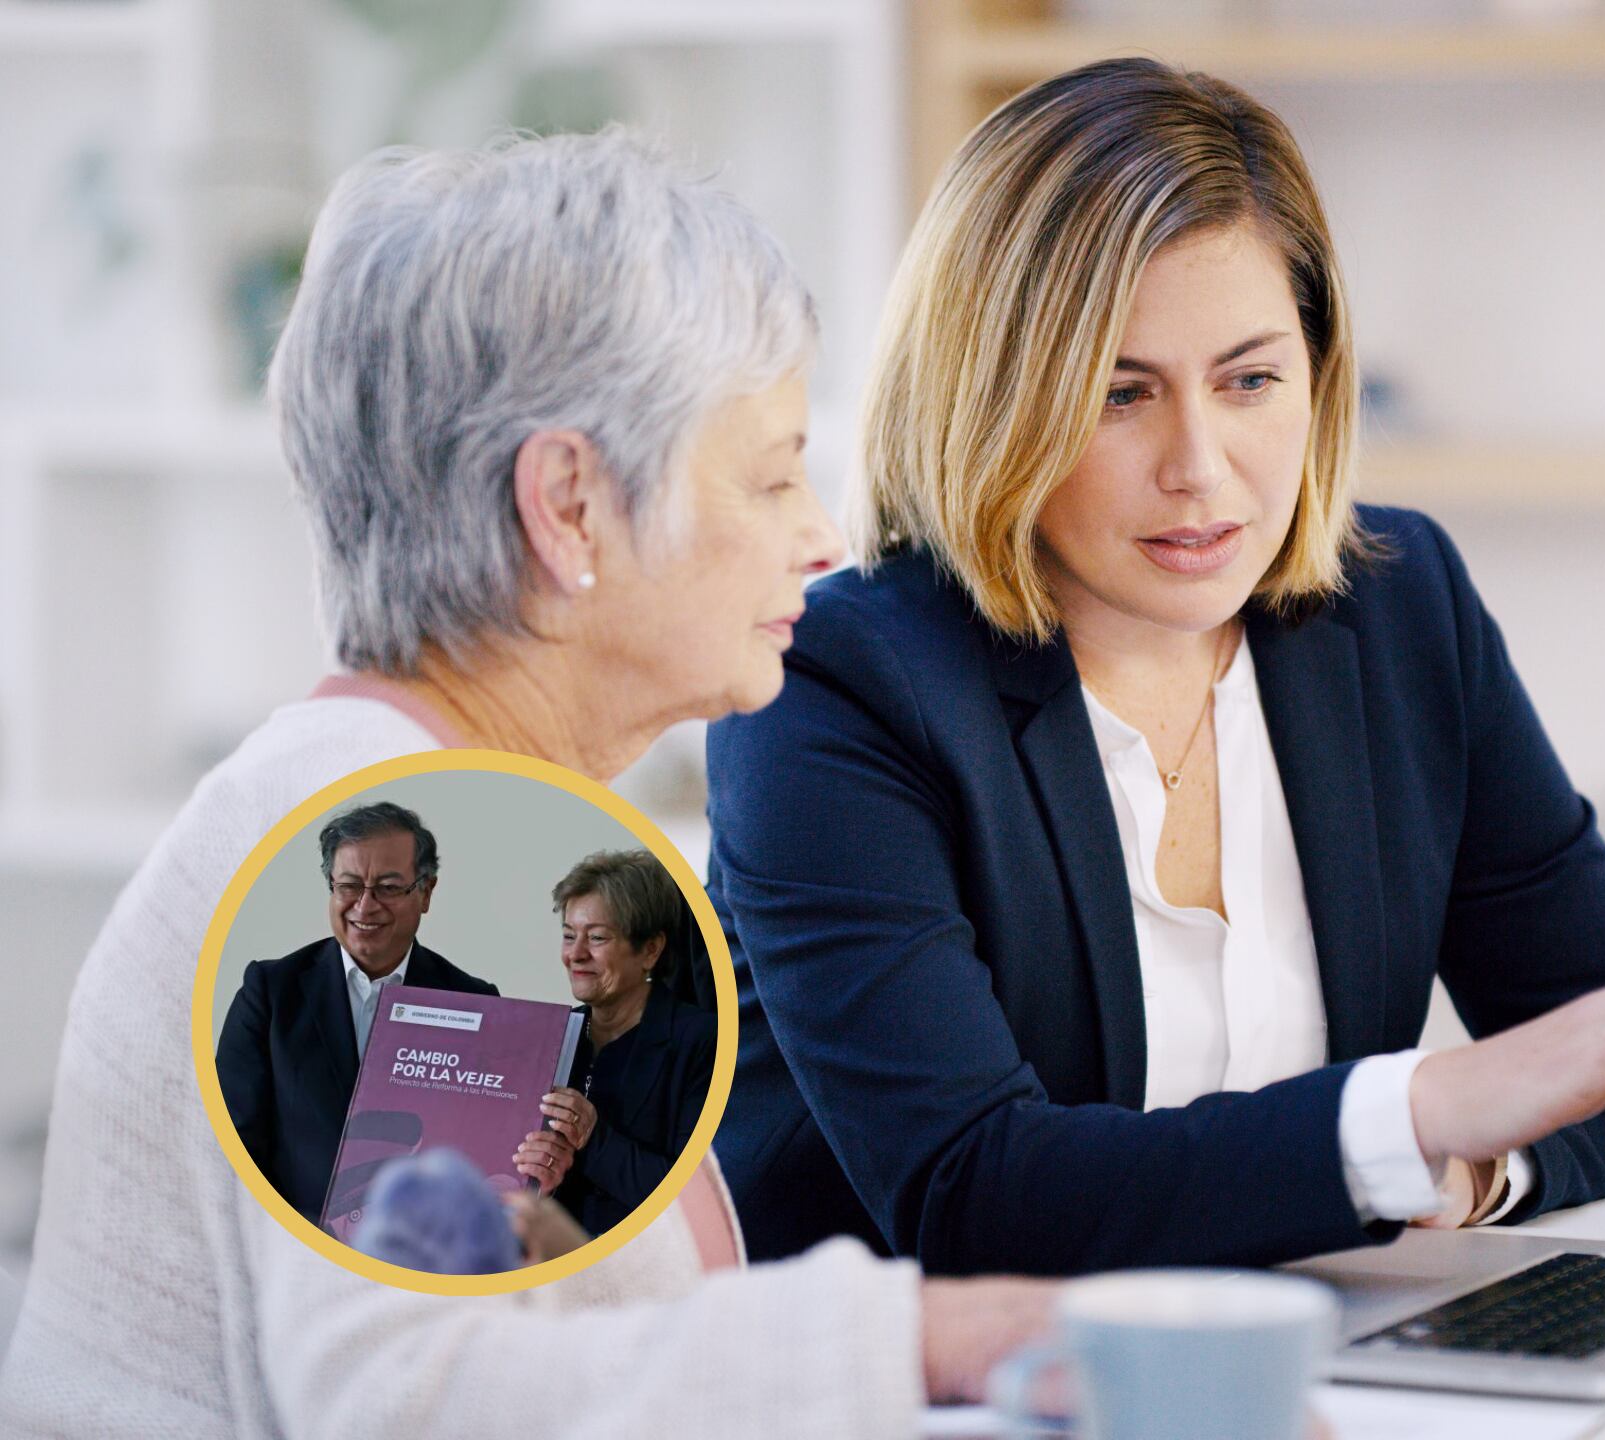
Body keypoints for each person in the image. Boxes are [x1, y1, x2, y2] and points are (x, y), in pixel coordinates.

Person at [0, 128, 1051, 1440]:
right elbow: (411, 1395)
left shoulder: (389, 807)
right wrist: (928, 1336)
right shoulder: (428, 858)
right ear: (567, 506)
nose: (821, 533)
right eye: (774, 472)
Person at [706, 58, 1605, 1276]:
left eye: (1250, 380)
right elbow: (973, 1192)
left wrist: (1475, 1176)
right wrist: (1412, 1117)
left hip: (1314, 1349)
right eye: (1118, 395)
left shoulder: (1402, 606)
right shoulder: (836, 686)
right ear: (993, 400)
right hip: (949, 1389)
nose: (1200, 465)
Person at [215, 800, 576, 1226]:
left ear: (425, 892)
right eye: (348, 886)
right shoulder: (271, 993)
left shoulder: (475, 1002)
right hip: (296, 1254)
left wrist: (534, 1176)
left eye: (388, 887)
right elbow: (227, 1150)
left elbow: (489, 1151)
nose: (365, 907)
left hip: (426, 1252)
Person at [543, 849, 719, 1237]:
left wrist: (593, 1137)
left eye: (598, 938)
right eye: (569, 936)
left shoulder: (701, 1042)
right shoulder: (551, 1035)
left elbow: (698, 1201)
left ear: (650, 950)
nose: (576, 954)